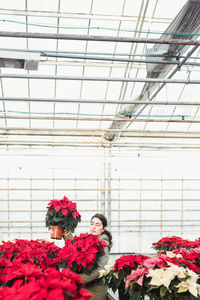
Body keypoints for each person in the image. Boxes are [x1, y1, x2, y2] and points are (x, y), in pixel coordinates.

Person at [80, 213, 113, 300]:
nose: (93, 227)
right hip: (86, 284)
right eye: (92, 224)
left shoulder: (103, 242)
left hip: (95, 289)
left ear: (103, 229)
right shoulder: (91, 238)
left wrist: (79, 278)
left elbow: (101, 269)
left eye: (97, 225)